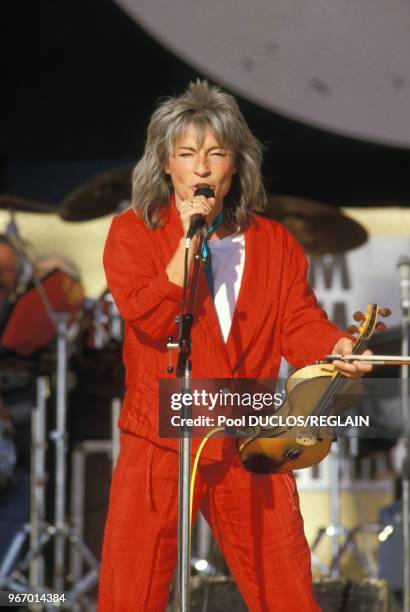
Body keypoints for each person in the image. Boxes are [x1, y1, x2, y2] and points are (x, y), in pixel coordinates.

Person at [98, 80, 372, 611]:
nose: (201, 169)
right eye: (186, 155)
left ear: (235, 166)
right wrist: (186, 245)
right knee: (131, 595)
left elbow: (298, 321)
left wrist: (337, 345)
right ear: (165, 164)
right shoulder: (132, 233)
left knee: (285, 591)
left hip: (247, 433)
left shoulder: (273, 243)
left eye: (216, 154)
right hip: (162, 436)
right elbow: (150, 318)